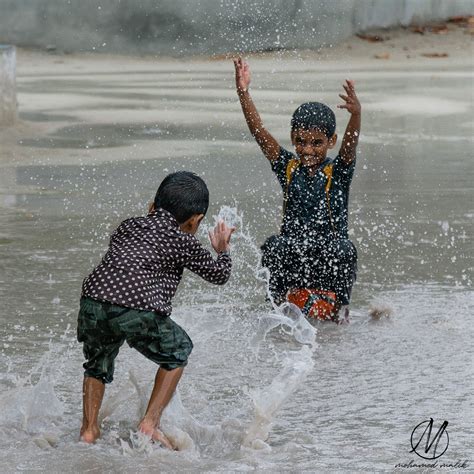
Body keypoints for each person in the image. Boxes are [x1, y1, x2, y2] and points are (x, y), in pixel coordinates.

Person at [77, 171, 235, 448]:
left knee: (96, 365)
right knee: (178, 351)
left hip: (93, 300)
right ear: (194, 221)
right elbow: (218, 276)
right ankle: (150, 423)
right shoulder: (183, 239)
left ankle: (89, 430)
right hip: (135, 307)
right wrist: (222, 251)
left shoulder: (128, 226)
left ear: (152, 206)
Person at [233, 57, 360, 320]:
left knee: (345, 249)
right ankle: (278, 304)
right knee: (274, 245)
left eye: (317, 143)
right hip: (295, 256)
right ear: (293, 138)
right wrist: (244, 93)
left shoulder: (337, 172)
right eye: (301, 142)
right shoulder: (288, 167)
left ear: (330, 141)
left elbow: (350, 148)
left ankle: (340, 309)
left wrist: (356, 115)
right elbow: (259, 132)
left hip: (328, 258)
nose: (308, 149)